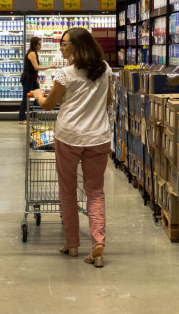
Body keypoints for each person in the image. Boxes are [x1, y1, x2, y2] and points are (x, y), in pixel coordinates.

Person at [31, 27, 112, 268]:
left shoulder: (65, 74)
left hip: (69, 137)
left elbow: (48, 105)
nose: (61, 48)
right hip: (98, 137)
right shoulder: (104, 69)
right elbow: (107, 101)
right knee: (95, 191)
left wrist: (38, 94)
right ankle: (98, 244)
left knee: (67, 191)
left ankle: (72, 244)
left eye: (65, 43)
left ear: (77, 46)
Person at [19, 37, 56, 125]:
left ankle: (33, 116)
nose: (40, 45)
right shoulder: (32, 53)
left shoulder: (34, 52)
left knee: (39, 94)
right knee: (26, 98)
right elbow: (36, 67)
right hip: (28, 78)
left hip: (32, 77)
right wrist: (49, 67)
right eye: (39, 44)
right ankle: (21, 118)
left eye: (40, 44)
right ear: (34, 44)